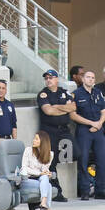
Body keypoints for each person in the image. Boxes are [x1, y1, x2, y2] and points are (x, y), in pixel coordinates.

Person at [70, 68, 105, 200]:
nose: (91, 80)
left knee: (102, 159)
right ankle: (85, 191)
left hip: (98, 130)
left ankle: (100, 190)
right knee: (83, 160)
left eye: (93, 78)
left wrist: (98, 124)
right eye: (88, 77)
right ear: (83, 79)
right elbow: (73, 115)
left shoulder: (97, 93)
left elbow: (104, 112)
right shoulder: (76, 94)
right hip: (84, 131)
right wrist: (91, 123)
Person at [35, 68, 73, 202]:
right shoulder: (43, 94)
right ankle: (57, 192)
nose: (48, 80)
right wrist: (63, 108)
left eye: (51, 77)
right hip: (49, 131)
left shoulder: (64, 92)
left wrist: (55, 106)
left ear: (57, 79)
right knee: (50, 162)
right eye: (46, 78)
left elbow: (73, 107)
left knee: (77, 152)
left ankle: (59, 158)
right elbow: (48, 111)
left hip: (64, 131)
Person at [19, 131, 58, 210]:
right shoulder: (28, 150)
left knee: (45, 179)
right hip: (28, 178)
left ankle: (44, 203)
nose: (33, 140)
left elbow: (44, 169)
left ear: (43, 142)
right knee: (48, 185)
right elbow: (24, 168)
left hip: (40, 179)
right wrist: (39, 173)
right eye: (34, 138)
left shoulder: (50, 154)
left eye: (36, 139)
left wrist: (48, 173)